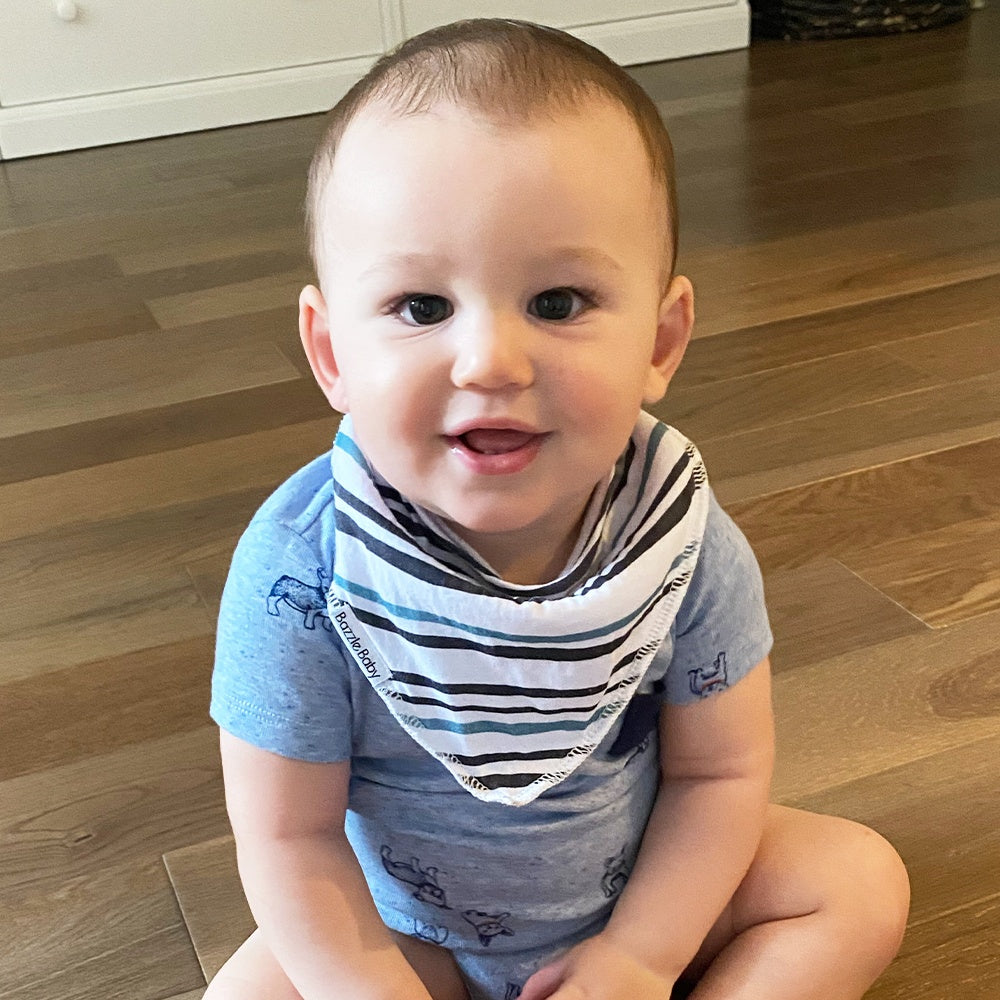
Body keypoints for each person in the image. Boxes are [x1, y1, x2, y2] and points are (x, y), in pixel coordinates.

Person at [207, 18, 910, 1000]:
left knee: (858, 883)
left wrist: (643, 955)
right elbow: (290, 836)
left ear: (660, 341)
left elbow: (717, 776)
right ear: (331, 354)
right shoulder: (302, 573)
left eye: (557, 302)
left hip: (642, 900)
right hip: (405, 938)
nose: (490, 360)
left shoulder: (680, 542)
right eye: (421, 307)